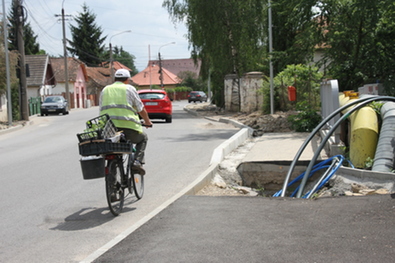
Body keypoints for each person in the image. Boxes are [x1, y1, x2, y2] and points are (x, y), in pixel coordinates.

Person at [99, 68, 153, 175]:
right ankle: (137, 162)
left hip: (109, 130)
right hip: (128, 129)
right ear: (127, 79)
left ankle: (112, 180)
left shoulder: (105, 90)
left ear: (115, 79)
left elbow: (101, 109)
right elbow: (140, 109)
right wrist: (148, 122)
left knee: (112, 150)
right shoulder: (129, 89)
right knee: (143, 138)